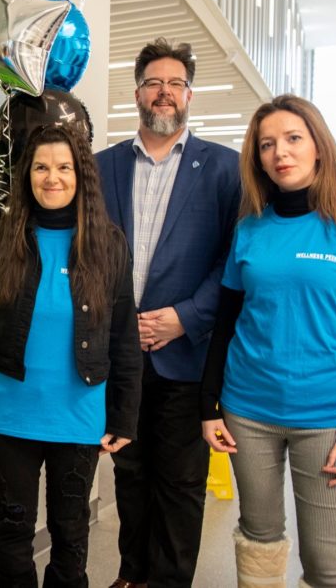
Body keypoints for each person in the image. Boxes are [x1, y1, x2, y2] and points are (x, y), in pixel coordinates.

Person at [201, 95, 336, 588]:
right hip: (247, 411)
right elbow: (225, 325)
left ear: (319, 147)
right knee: (258, 545)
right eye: (267, 144)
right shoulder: (249, 229)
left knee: (329, 568)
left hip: (328, 419)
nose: (279, 152)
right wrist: (209, 406)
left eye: (292, 138)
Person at [0, 122, 142, 588]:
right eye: (41, 167)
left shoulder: (108, 245)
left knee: (70, 531)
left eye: (63, 166)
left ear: (81, 174)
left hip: (78, 416)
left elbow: (124, 337)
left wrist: (124, 418)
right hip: (12, 413)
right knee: (14, 529)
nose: (52, 177)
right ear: (27, 175)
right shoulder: (5, 239)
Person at [95, 38, 241, 588]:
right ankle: (132, 576)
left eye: (175, 83)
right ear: (137, 93)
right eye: (154, 82)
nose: (165, 92)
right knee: (128, 475)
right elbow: (88, 253)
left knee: (180, 484)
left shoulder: (224, 169)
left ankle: (169, 581)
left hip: (187, 355)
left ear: (189, 96)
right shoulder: (101, 167)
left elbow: (233, 260)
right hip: (120, 356)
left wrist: (185, 316)